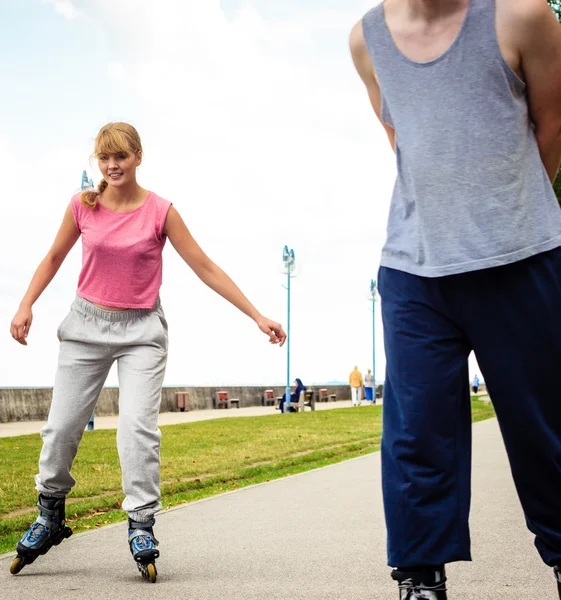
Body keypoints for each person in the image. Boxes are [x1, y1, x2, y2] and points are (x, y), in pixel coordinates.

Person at [8, 122, 286, 581]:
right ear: (98, 161)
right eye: (104, 158)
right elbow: (54, 257)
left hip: (141, 332)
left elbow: (204, 266)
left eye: (121, 156)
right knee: (60, 428)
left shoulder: (161, 212)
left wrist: (256, 315)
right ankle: (50, 514)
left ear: (138, 156)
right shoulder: (83, 205)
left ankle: (141, 523)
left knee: (136, 430)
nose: (112, 165)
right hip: (85, 327)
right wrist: (25, 303)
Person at [350, 0, 561, 597]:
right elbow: (406, 143)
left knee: (544, 431)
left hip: (521, 259)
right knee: (417, 434)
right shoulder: (366, 40)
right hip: (414, 268)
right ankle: (420, 578)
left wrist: (502, 216)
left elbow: (551, 127)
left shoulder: (524, 17)